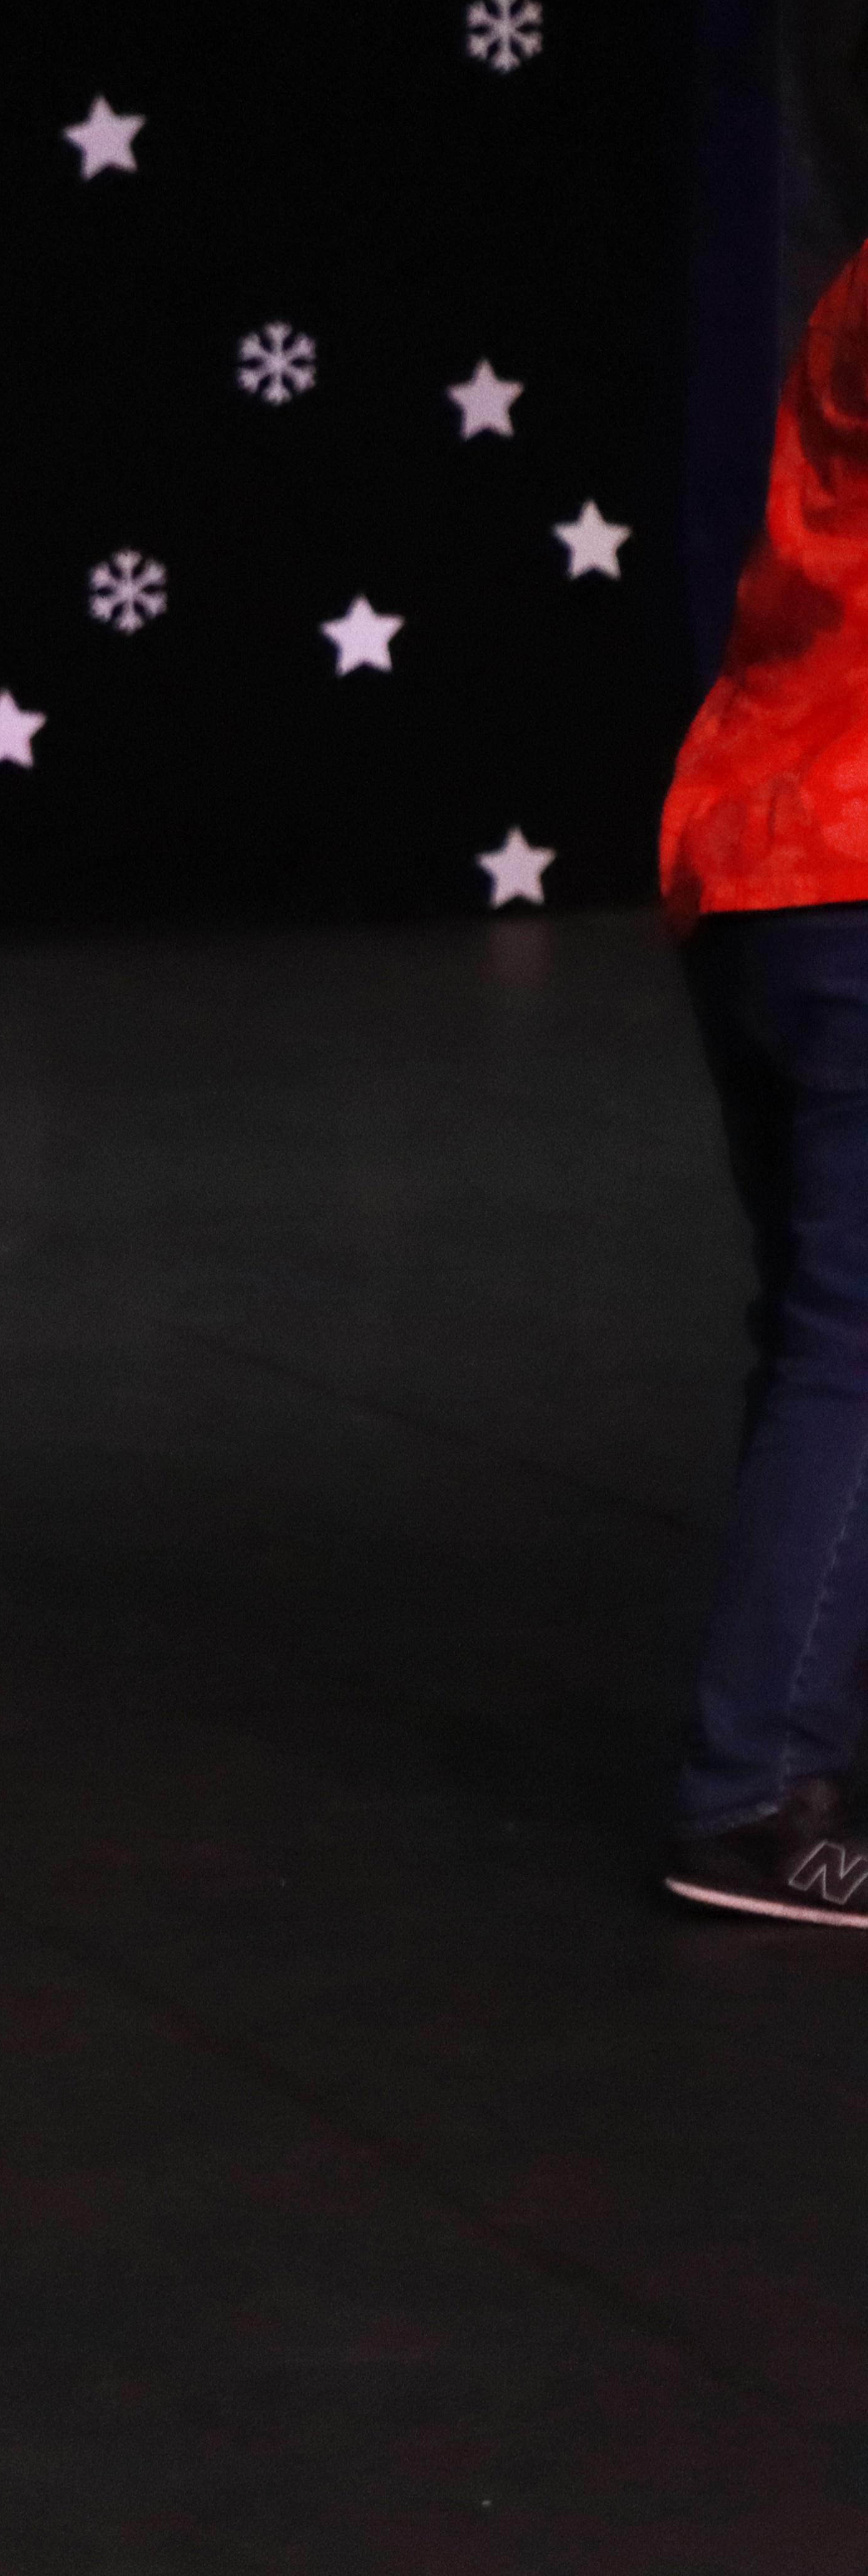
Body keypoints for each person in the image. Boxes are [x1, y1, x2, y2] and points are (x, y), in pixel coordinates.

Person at [658, 236, 868, 1923]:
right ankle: (751, 1791)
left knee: (821, 1335)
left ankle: (781, 1752)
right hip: (842, 871)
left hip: (767, 859)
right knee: (852, 1345)